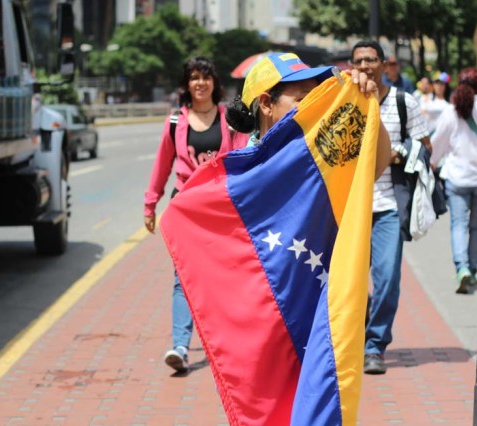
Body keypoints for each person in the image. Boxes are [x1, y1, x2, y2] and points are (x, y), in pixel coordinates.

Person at [143, 56, 247, 373]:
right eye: (193, 77)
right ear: (186, 84)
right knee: (183, 279)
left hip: (221, 208)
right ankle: (180, 347)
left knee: (228, 275)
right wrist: (150, 204)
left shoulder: (229, 118)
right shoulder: (176, 121)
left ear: (214, 82)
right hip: (186, 208)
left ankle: (232, 343)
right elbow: (162, 166)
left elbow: (243, 158)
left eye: (205, 77)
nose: (199, 83)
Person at [351, 40, 430, 375]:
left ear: (384, 65)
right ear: (351, 66)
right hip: (349, 208)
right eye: (359, 60)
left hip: (388, 206)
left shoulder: (403, 102)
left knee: (386, 279)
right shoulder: (343, 102)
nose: (366, 65)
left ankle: (375, 346)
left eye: (372, 59)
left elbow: (425, 147)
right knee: (349, 281)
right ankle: (362, 326)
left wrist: (395, 152)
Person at [226, 53, 390, 177]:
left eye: (317, 96)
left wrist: (370, 104)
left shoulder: (322, 154)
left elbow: (372, 169)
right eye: (303, 98)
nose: (315, 104)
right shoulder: (242, 172)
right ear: (266, 104)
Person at [429, 68, 477, 295]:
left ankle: (462, 268)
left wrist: (431, 165)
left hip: (457, 177)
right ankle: (473, 269)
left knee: (458, 224)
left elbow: (437, 144)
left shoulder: (451, 110)